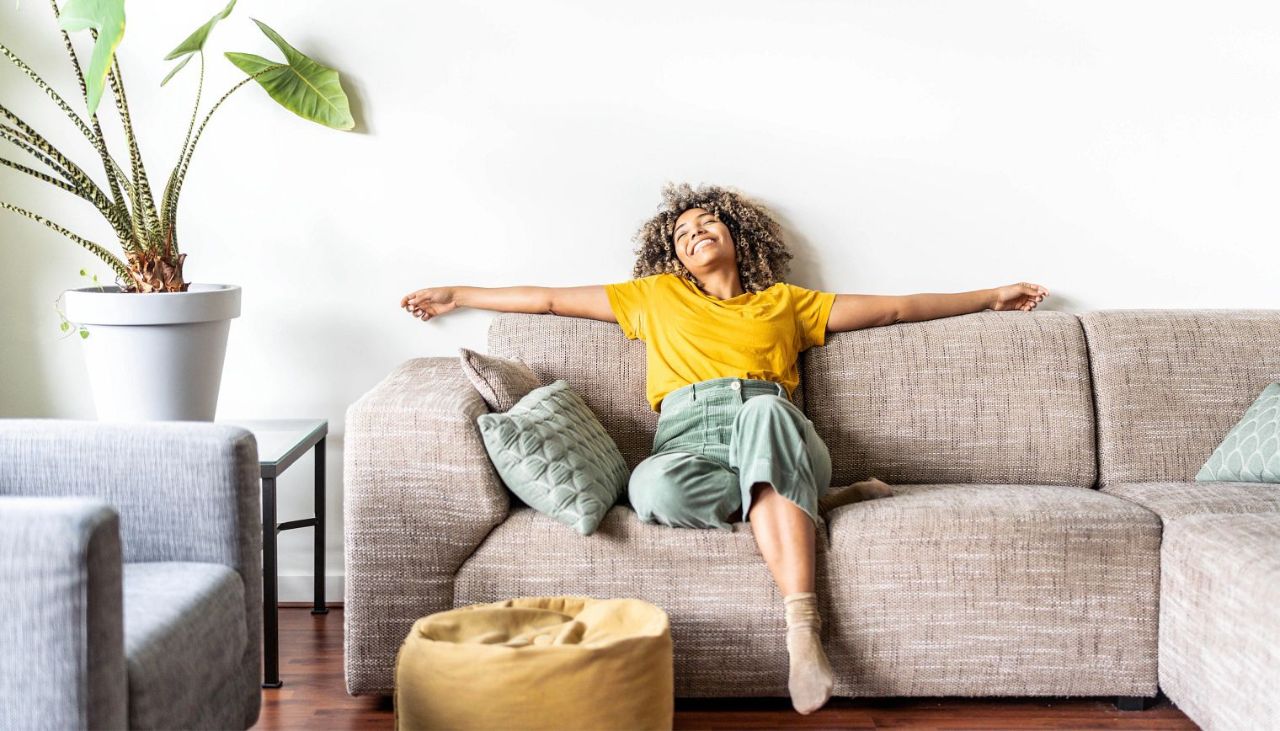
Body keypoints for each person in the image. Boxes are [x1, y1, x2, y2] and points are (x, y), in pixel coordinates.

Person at [400, 182, 1049, 715]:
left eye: (707, 223)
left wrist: (990, 296)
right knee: (650, 488)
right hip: (687, 435)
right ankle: (812, 498)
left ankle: (801, 629)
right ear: (675, 257)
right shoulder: (653, 298)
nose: (695, 233)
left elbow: (896, 310)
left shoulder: (785, 304)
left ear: (736, 236)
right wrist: (458, 293)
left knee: (766, 408)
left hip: (767, 418)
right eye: (683, 233)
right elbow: (543, 299)